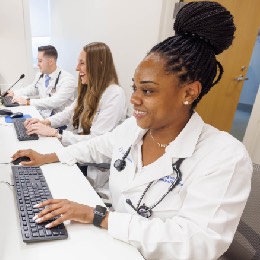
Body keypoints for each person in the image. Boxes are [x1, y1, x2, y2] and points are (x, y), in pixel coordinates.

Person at [12, 2, 253, 259]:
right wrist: (49, 157)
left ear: (189, 92)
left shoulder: (224, 155)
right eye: (135, 88)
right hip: (117, 244)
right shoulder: (134, 129)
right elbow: (97, 146)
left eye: (147, 91)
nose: (134, 99)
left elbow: (197, 243)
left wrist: (98, 216)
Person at [22, 42, 127, 198]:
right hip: (77, 152)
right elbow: (68, 113)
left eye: (82, 63)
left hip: (93, 166)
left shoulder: (115, 95)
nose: (77, 68)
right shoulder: (90, 89)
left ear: (97, 65)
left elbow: (96, 142)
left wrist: (57, 134)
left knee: (44, 176)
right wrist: (46, 122)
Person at [7, 45, 76, 118]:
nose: (37, 64)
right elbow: (32, 89)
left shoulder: (68, 79)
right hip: (43, 115)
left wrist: (27, 102)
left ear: (51, 61)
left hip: (60, 122)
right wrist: (14, 93)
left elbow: (54, 102)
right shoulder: (41, 75)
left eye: (40, 61)